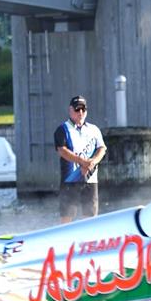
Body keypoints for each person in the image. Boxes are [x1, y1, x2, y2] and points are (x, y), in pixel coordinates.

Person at [53, 95, 106, 223]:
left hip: (90, 180)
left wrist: (92, 162)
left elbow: (102, 148)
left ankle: (88, 242)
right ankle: (65, 242)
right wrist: (82, 162)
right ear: (70, 110)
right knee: (67, 217)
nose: (80, 113)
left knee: (91, 217)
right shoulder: (63, 129)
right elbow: (62, 151)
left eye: (83, 109)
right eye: (77, 109)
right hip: (70, 180)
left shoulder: (94, 129)